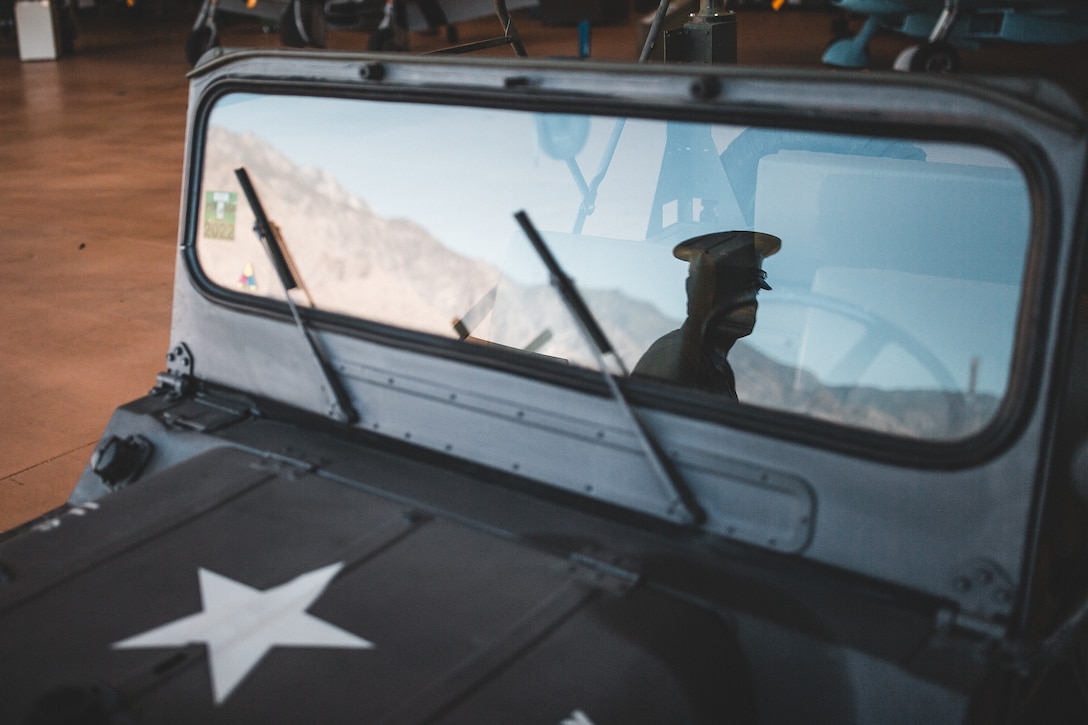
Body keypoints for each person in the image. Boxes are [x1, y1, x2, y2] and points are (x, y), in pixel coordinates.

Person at [632, 231, 781, 399]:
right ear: (703, 291)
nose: (751, 302)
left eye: (754, 290)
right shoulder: (676, 355)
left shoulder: (719, 366)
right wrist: (698, 317)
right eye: (737, 288)